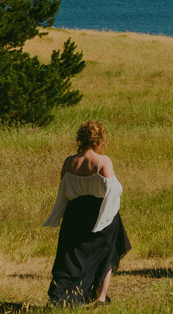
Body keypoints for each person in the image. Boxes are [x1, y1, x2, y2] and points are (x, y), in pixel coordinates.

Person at [43, 120, 131, 306]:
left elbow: (64, 189)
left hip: (74, 213)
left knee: (70, 256)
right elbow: (113, 190)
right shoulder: (102, 162)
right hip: (98, 213)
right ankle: (101, 296)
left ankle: (61, 295)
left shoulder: (69, 162)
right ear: (99, 140)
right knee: (108, 250)